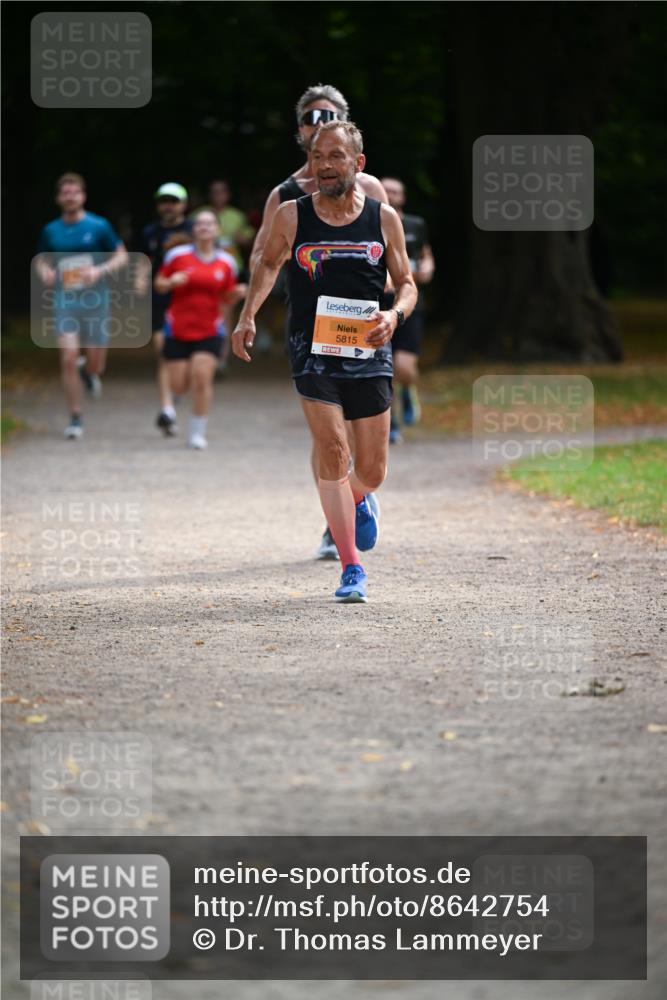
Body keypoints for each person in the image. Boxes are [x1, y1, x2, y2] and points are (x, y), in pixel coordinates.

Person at [232, 121, 417, 602]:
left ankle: (357, 499)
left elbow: (408, 283)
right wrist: (247, 316)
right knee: (333, 449)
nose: (326, 166)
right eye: (318, 158)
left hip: (369, 347)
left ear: (358, 164)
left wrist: (394, 316)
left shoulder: (383, 218)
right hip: (310, 348)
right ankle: (351, 567)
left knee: (373, 469)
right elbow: (268, 264)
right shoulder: (292, 215)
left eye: (336, 157)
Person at [250, 83, 389, 561]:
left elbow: (386, 246)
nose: (318, 123)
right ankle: (337, 528)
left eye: (328, 116)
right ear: (300, 133)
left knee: (364, 448)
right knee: (329, 437)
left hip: (362, 326)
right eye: (311, 118)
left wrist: (387, 299)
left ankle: (356, 495)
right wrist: (249, 305)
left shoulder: (367, 189)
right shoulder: (285, 196)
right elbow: (263, 257)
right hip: (311, 328)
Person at [36, 172, 127, 439]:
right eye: (65, 192)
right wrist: (45, 272)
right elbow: (42, 258)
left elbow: (120, 256)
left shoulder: (99, 226)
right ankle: (75, 417)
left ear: (83, 196)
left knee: (97, 363)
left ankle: (90, 373)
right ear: (58, 198)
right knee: (67, 358)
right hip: (65, 300)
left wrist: (99, 271)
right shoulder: (50, 230)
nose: (70, 196)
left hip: (96, 300)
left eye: (74, 192)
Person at [154, 210, 244, 449]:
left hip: (210, 329)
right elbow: (159, 284)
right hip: (178, 328)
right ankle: (177, 399)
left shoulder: (227, 262)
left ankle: (197, 432)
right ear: (193, 229)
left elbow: (226, 297)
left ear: (217, 230)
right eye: (200, 224)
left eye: (209, 223)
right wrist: (171, 282)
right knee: (179, 385)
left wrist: (236, 294)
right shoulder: (177, 256)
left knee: (202, 378)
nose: (204, 227)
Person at [380, 177, 435, 443]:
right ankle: (391, 425)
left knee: (403, 367)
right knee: (384, 369)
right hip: (379, 307)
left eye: (395, 191)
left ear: (402, 197)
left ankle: (408, 390)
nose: (390, 194)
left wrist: (427, 268)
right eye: (386, 190)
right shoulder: (369, 222)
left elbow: (426, 255)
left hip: (409, 304)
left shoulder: (415, 224)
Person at [135, 182, 193, 437]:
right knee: (164, 353)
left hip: (191, 300)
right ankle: (167, 409)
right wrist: (138, 280)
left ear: (183, 204)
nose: (168, 205)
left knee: (189, 361)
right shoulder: (150, 232)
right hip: (160, 298)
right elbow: (142, 261)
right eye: (164, 201)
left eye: (173, 200)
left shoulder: (194, 229)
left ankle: (176, 390)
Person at [203, 179, 255, 273]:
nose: (218, 195)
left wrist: (243, 240)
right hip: (205, 263)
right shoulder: (199, 214)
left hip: (233, 264)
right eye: (215, 192)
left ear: (228, 194)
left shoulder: (238, 216)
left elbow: (250, 241)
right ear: (209, 195)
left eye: (222, 192)